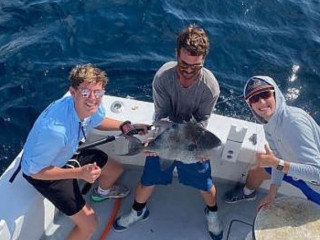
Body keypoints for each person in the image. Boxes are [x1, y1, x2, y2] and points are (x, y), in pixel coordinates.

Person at [113, 25, 223, 240]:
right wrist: (156, 141)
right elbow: (161, 116)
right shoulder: (163, 77)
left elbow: (202, 122)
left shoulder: (210, 87)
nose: (189, 70)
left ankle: (212, 213)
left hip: (193, 140)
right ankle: (138, 211)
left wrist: (198, 149)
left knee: (206, 185)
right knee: (148, 181)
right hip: (166, 137)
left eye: (196, 66)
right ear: (176, 54)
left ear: (204, 61)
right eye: (184, 64)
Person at [21, 64, 148, 240]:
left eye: (98, 92)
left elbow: (98, 120)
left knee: (115, 170)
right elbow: (35, 172)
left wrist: (124, 126)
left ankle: (101, 193)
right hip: (46, 173)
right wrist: (80, 173)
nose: (93, 98)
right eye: (86, 93)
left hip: (66, 153)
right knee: (90, 225)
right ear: (73, 92)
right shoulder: (55, 131)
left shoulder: (91, 106)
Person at [224, 76, 320, 209]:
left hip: (316, 186)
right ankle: (247, 193)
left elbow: (317, 172)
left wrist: (277, 164)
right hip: (293, 170)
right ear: (250, 105)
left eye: (265, 94)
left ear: (275, 94)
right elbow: (278, 158)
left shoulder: (294, 122)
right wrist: (272, 192)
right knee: (255, 172)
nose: (262, 102)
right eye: (254, 99)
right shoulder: (269, 123)